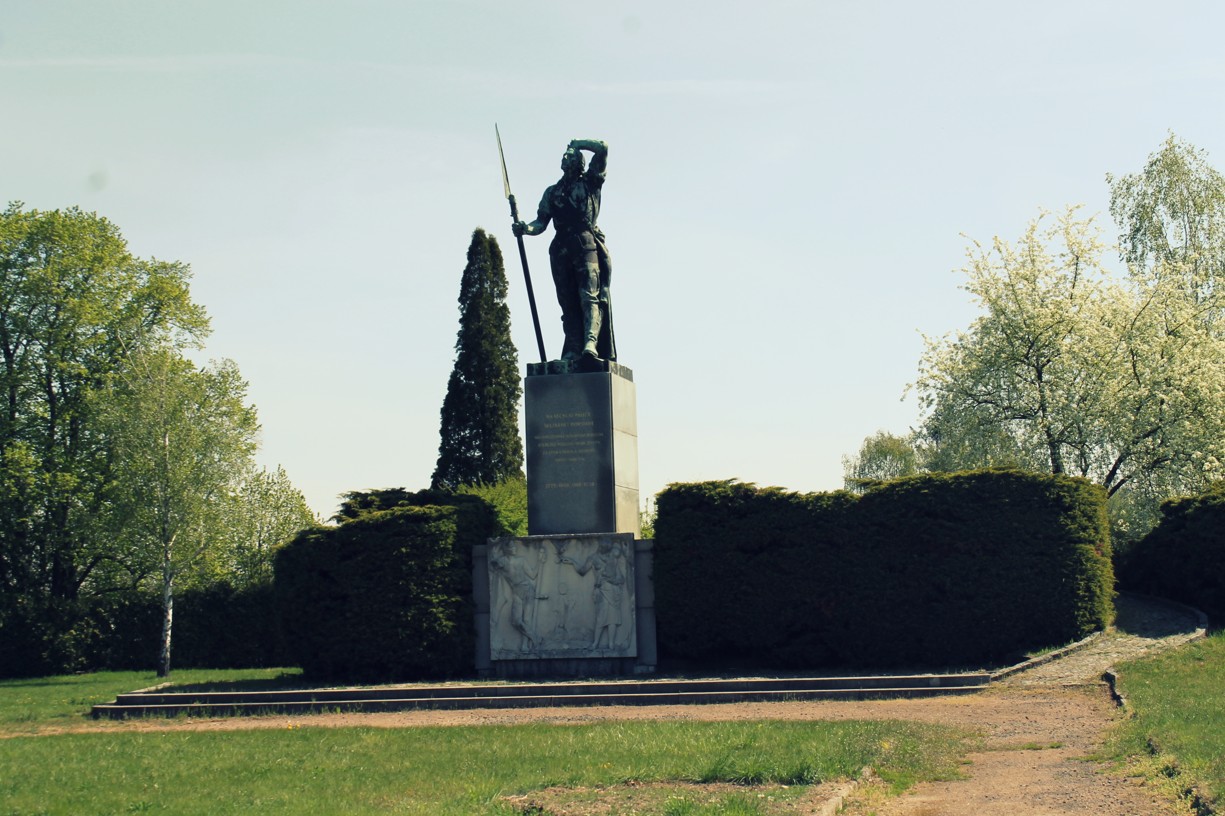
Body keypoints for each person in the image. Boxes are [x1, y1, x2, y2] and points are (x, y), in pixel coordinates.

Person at [513, 139, 616, 366]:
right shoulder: (553, 192)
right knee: (567, 301)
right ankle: (572, 347)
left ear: (579, 162)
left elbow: (602, 148)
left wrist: (578, 143)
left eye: (570, 155)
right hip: (560, 248)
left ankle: (590, 343)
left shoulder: (590, 183)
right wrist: (525, 229)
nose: (565, 157)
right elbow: (541, 222)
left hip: (585, 243)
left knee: (588, 296)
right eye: (565, 155)